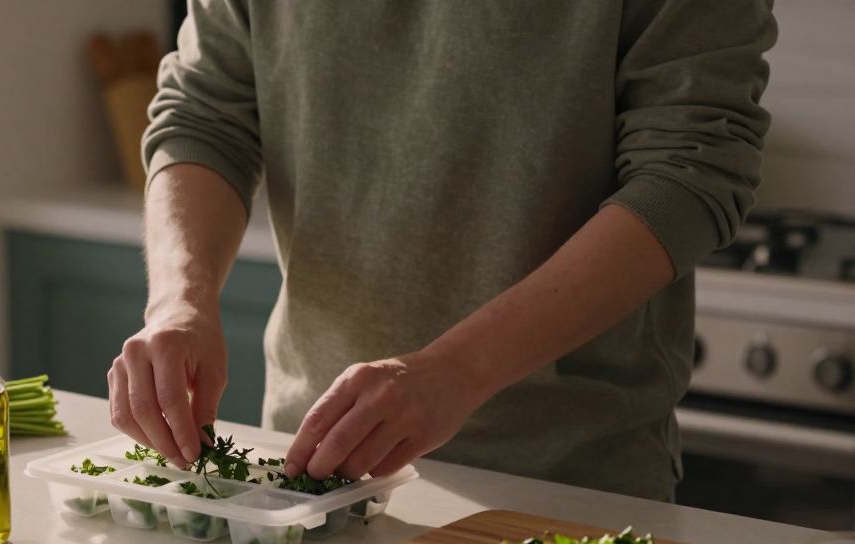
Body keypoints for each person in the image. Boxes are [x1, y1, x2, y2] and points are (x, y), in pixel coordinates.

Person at [107, 1, 775, 501]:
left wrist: (457, 371)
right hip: (309, 471)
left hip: (569, 485)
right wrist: (178, 304)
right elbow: (205, 115)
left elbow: (688, 173)